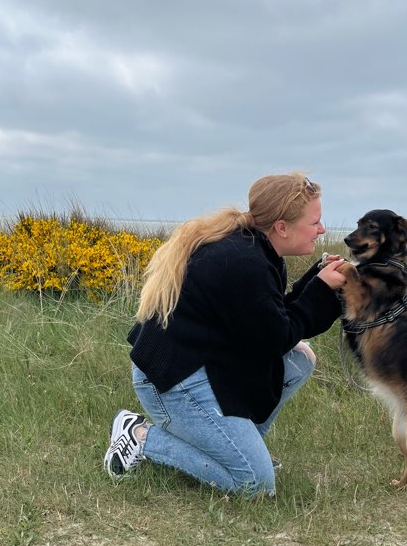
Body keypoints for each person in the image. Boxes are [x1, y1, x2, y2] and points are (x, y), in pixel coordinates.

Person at [103, 172, 348, 496]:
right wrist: (320, 289)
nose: (322, 229)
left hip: (206, 370)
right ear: (282, 227)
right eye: (314, 222)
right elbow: (276, 337)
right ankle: (140, 437)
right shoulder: (244, 261)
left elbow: (269, 322)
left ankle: (238, 451)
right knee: (255, 483)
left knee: (300, 358)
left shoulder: (257, 250)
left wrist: (316, 280)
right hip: (171, 382)